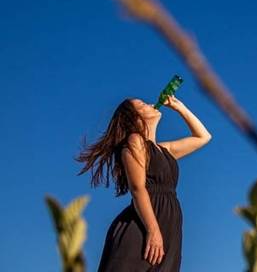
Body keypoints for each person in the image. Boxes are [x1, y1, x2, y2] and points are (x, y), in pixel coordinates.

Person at [77, 95, 211, 271]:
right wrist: (153, 230)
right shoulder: (135, 141)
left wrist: (180, 108)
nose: (150, 104)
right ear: (135, 118)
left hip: (168, 223)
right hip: (145, 224)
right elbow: (137, 188)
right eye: (142, 105)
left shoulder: (165, 150)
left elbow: (203, 137)